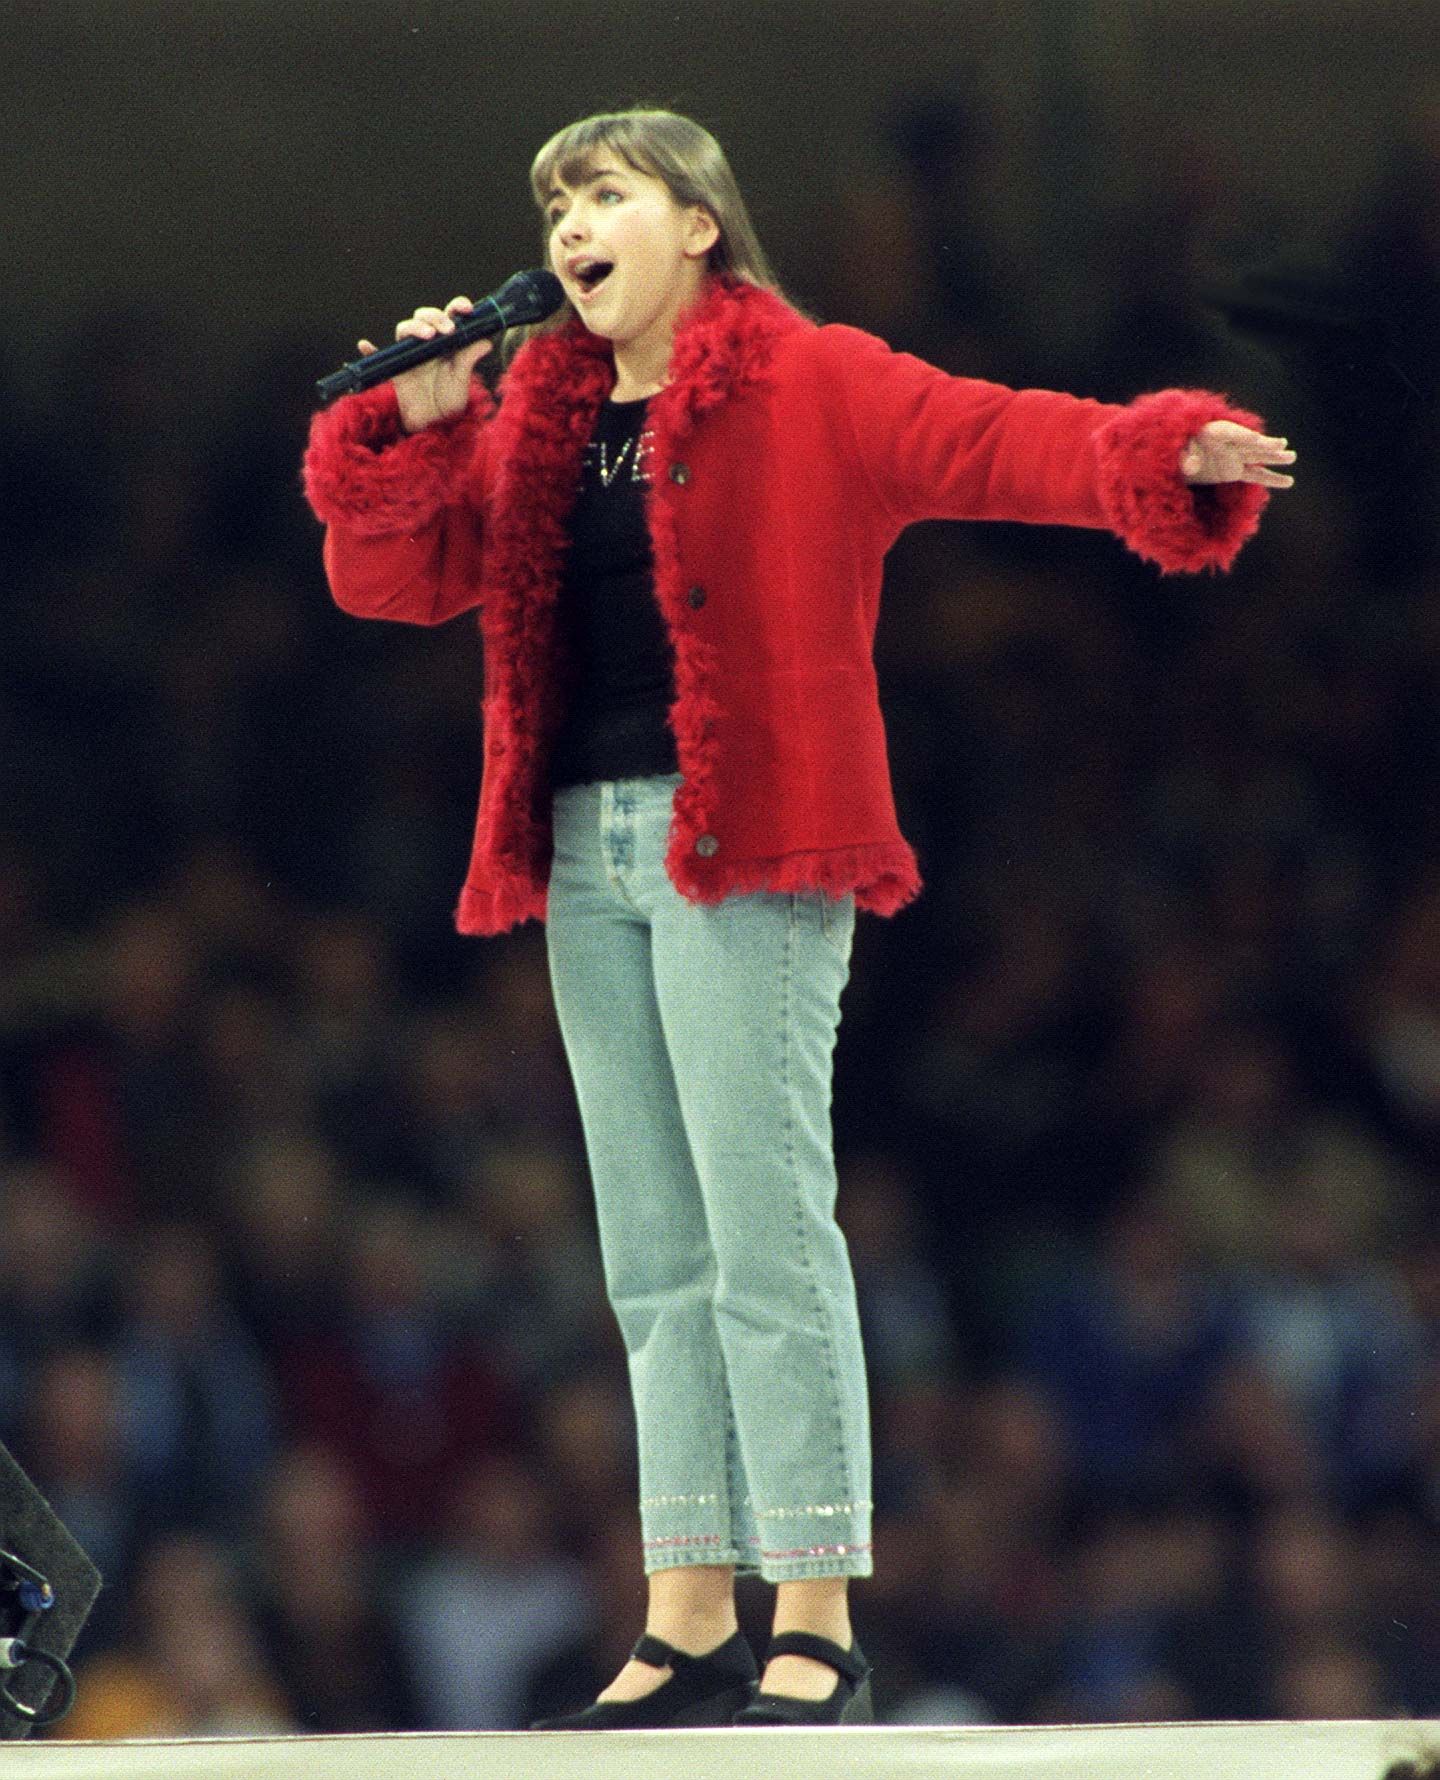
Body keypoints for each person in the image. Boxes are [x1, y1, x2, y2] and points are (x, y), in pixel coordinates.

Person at [301, 106, 1296, 1729]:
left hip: (746, 849)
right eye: (556, 202)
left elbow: (994, 436)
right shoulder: (535, 413)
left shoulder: (808, 379)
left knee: (767, 1236)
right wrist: (409, 433)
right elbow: (390, 585)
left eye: (604, 193)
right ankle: (688, 1601)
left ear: (696, 221)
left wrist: (1156, 448)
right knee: (652, 1253)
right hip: (584, 852)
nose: (570, 226)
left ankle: (815, 1602)